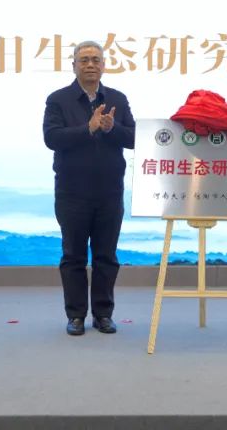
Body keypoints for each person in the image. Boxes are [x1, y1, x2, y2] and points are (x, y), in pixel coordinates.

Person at [43, 40, 135, 336]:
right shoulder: (58, 100)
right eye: (84, 60)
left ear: (104, 65)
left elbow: (134, 138)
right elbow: (52, 138)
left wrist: (111, 128)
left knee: (106, 256)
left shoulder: (117, 98)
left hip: (109, 192)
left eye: (96, 59)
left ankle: (103, 314)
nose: (91, 64)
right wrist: (89, 128)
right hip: (72, 193)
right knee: (74, 256)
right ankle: (75, 316)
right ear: (74, 65)